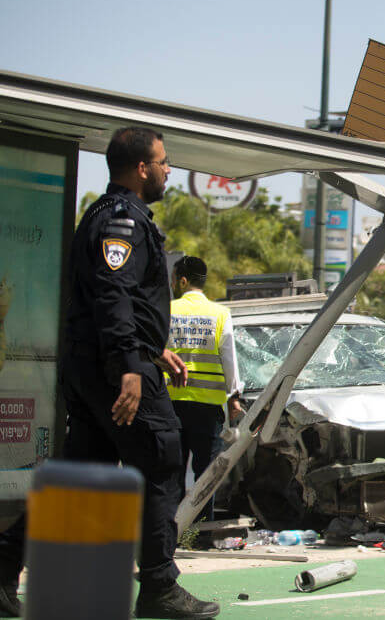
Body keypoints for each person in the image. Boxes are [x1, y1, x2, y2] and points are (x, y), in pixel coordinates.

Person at [0, 127, 220, 618]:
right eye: (163, 162)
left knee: (80, 476)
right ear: (141, 168)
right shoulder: (123, 221)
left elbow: (122, 301)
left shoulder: (105, 214)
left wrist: (154, 350)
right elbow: (112, 294)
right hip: (114, 368)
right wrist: (129, 366)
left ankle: (1, 566)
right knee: (162, 461)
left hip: (103, 362)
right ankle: (160, 586)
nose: (169, 170)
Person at [167, 255, 244, 523]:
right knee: (206, 474)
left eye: (175, 279)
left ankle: (170, 533)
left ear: (183, 280)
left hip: (170, 405)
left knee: (172, 472)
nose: (173, 283)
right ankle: (199, 532)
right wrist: (234, 398)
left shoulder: (167, 310)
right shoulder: (220, 314)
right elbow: (229, 360)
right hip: (207, 407)